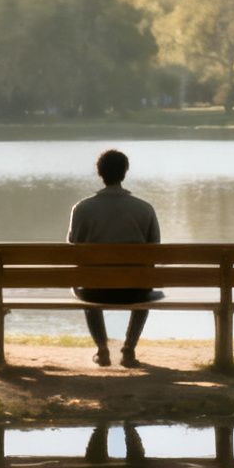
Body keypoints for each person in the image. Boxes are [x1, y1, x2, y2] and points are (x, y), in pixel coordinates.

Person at [67, 148, 161, 367]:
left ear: (100, 173)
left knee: (84, 283)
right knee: (146, 285)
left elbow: (73, 248)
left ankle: (102, 349)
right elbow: (155, 250)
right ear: (125, 172)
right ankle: (129, 349)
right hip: (135, 291)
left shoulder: (81, 209)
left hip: (94, 290)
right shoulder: (144, 209)